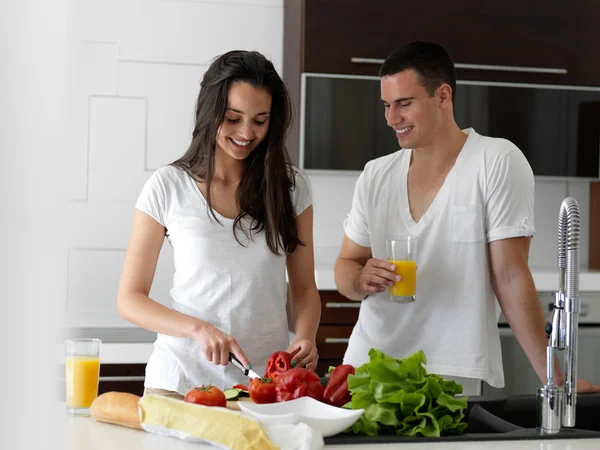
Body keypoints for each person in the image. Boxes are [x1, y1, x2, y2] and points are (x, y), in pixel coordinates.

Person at [334, 41, 600, 396]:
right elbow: (345, 268)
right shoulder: (375, 175)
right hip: (368, 365)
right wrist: (359, 278)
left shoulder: (496, 161)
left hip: (451, 371)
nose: (391, 118)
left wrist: (554, 379)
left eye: (404, 104)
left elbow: (509, 274)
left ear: (443, 96)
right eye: (386, 105)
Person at [117, 50, 321, 398]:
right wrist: (198, 329)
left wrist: (304, 336)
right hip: (181, 382)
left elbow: (303, 290)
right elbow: (130, 299)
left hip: (264, 385)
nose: (246, 133)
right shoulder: (168, 186)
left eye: (260, 120)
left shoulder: (291, 188)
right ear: (210, 112)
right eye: (232, 118)